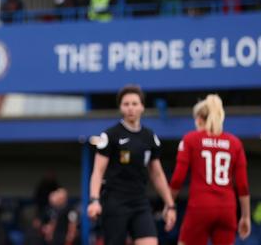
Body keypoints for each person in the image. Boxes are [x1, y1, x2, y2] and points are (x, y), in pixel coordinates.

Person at [87, 85, 176, 245]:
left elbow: (157, 174)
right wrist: (94, 200)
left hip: (140, 201)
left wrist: (170, 205)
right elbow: (98, 171)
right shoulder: (110, 135)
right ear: (120, 107)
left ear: (142, 106)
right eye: (126, 104)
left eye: (134, 104)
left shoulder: (149, 137)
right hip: (115, 202)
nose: (130, 108)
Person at [169, 94, 251, 245]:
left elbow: (177, 178)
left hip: (200, 207)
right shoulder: (235, 143)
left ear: (199, 118)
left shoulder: (191, 139)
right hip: (227, 208)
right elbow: (243, 185)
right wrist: (245, 216)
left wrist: (169, 204)